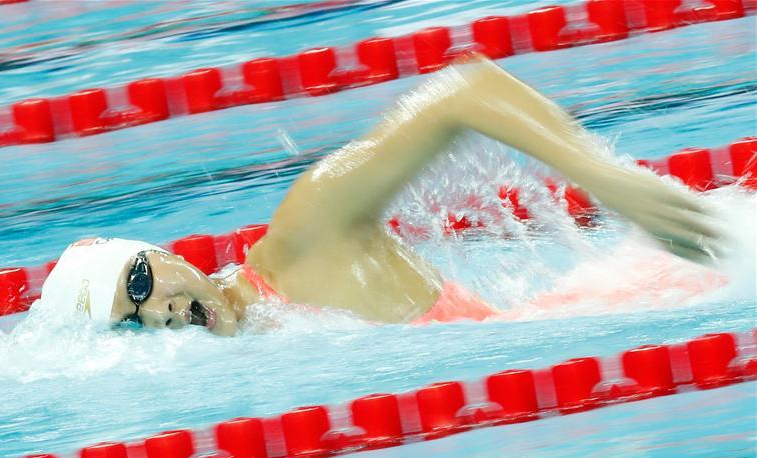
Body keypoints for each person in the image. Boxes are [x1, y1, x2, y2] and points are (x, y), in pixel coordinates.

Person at [40, 56, 721, 336]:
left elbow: (465, 90)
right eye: (132, 320)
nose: (158, 311)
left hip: (660, 301)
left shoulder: (302, 241)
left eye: (139, 282)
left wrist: (607, 180)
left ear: (159, 252)